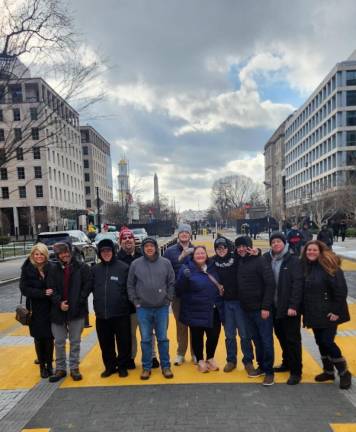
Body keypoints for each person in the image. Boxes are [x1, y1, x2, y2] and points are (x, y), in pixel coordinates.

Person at [301, 240, 352, 390]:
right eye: (309, 250)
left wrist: (336, 311)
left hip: (330, 313)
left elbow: (341, 291)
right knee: (319, 341)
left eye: (314, 250)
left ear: (321, 251)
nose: (311, 252)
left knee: (327, 342)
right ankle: (328, 371)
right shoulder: (306, 267)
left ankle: (344, 372)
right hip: (314, 312)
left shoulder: (330, 266)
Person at [127, 237, 175, 380]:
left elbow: (171, 282)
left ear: (156, 247)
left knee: (163, 339)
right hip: (143, 309)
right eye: (146, 246)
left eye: (151, 246)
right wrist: (135, 301)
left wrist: (168, 299)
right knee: (146, 339)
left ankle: (166, 366)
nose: (149, 248)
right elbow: (130, 285)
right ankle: (146, 367)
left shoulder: (165, 263)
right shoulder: (136, 264)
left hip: (162, 308)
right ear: (143, 248)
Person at [212, 237, 259, 377]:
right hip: (225, 303)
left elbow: (250, 255)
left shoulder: (236, 257)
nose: (222, 251)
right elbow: (200, 265)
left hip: (239, 302)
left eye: (224, 248)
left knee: (244, 334)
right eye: (219, 248)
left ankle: (248, 361)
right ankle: (231, 360)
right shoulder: (212, 261)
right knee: (229, 334)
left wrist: (258, 251)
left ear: (229, 248)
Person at [47, 241, 91, 382]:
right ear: (58, 255)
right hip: (57, 310)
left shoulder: (82, 267)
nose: (65, 255)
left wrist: (78, 301)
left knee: (75, 341)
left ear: (71, 252)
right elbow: (50, 288)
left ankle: (74, 368)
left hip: (77, 309)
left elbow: (87, 286)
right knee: (59, 341)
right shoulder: (53, 268)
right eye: (61, 253)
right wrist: (59, 302)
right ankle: (60, 368)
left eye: (67, 252)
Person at [117, 227, 159, 370]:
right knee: (129, 334)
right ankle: (131, 357)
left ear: (134, 240)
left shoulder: (143, 256)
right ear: (120, 241)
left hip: (145, 302)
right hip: (126, 304)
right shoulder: (116, 259)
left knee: (148, 332)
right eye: (124, 238)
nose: (128, 240)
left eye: (130, 237)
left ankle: (152, 356)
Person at [264, 232, 303, 385]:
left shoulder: (293, 260)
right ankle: (287, 363)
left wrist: (294, 305)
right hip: (275, 307)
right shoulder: (267, 259)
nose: (276, 244)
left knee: (292, 339)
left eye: (278, 241)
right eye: (273, 242)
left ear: (284, 243)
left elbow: (298, 284)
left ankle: (296, 371)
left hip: (289, 308)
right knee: (281, 336)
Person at [235, 236, 276, 386]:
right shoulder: (240, 261)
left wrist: (266, 307)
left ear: (249, 247)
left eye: (244, 246)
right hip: (247, 309)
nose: (241, 249)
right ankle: (262, 367)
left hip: (261, 309)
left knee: (266, 340)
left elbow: (270, 284)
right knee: (256, 340)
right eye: (238, 246)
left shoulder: (260, 261)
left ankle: (270, 372)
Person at [176, 246, 224, 373]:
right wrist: (183, 277)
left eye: (203, 253)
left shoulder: (213, 267)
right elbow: (179, 289)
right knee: (197, 336)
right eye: (197, 253)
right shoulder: (187, 268)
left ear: (206, 255)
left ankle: (210, 358)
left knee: (214, 335)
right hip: (195, 308)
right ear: (193, 256)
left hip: (213, 308)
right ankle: (200, 360)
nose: (200, 255)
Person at [91, 239, 131, 378]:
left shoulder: (123, 267)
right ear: (99, 253)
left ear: (113, 252)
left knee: (123, 342)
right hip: (102, 315)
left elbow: (129, 289)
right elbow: (87, 289)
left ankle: (122, 366)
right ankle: (110, 366)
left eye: (108, 250)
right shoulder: (95, 269)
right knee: (105, 343)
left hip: (121, 313)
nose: (106, 253)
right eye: (103, 251)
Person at [20, 243, 54, 378]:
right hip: (35, 309)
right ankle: (42, 367)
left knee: (49, 337)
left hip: (50, 308)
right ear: (33, 255)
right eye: (36, 254)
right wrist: (42, 293)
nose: (39, 256)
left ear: (46, 255)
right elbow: (24, 289)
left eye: (41, 254)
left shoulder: (51, 267)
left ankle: (50, 364)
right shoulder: (27, 268)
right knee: (39, 338)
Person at [163, 223, 195, 366]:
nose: (184, 234)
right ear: (178, 235)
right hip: (177, 295)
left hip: (194, 294)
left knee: (195, 325)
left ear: (190, 234)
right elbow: (164, 272)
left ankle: (196, 353)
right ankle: (181, 353)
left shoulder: (196, 250)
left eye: (186, 232)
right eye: (181, 232)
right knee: (181, 324)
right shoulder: (169, 252)